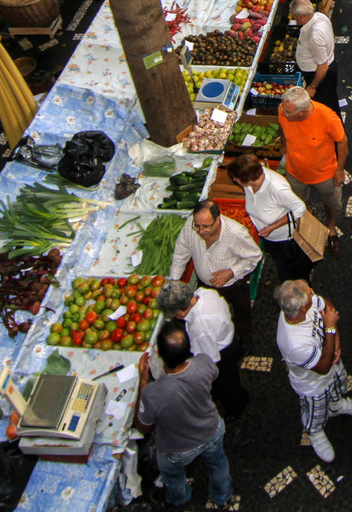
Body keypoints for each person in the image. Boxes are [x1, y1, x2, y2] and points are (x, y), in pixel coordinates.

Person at [134, 323, 234, 508]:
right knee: (218, 464)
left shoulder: (153, 393)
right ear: (189, 348)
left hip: (176, 449)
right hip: (211, 431)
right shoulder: (203, 364)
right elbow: (214, 374)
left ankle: (178, 499)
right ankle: (223, 497)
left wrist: (143, 382)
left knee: (172, 476)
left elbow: (143, 427)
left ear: (161, 357)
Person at [274, 281, 352, 463]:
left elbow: (327, 306)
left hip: (330, 360)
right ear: (301, 308)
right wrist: (330, 327)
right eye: (310, 294)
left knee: (340, 384)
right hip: (313, 383)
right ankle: (315, 431)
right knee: (316, 410)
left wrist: (335, 337)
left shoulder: (304, 302)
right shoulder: (294, 343)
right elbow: (322, 367)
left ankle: (336, 406)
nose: (313, 294)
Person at [169, 199, 262, 348]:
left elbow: (255, 256)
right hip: (205, 284)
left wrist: (231, 272)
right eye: (197, 226)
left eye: (206, 226)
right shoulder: (190, 226)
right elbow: (182, 251)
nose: (201, 231)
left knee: (241, 312)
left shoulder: (236, 233)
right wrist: (174, 281)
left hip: (232, 285)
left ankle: (245, 339)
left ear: (218, 220)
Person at [156, 280, 248, 420]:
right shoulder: (205, 293)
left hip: (223, 352)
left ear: (180, 312)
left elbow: (210, 361)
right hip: (229, 336)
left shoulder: (200, 327)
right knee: (230, 380)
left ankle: (235, 408)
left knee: (227, 385)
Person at [227, 153, 311, 284]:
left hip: (285, 240)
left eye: (236, 179)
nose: (235, 181)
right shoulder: (250, 185)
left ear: (248, 179)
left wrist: (273, 226)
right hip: (269, 238)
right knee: (280, 262)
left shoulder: (276, 188)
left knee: (291, 269)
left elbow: (300, 209)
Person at [278, 87, 346, 231]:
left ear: (301, 112)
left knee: (331, 203)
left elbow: (342, 141)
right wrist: (283, 143)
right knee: (298, 201)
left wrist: (339, 170)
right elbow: (281, 125)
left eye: (288, 112)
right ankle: (307, 216)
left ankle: (331, 227)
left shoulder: (328, 117)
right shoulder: (283, 109)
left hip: (325, 175)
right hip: (295, 172)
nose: (283, 113)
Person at [289, 0, 338, 113]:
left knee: (326, 109)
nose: (293, 18)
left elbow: (323, 67)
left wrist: (313, 86)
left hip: (320, 76)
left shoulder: (314, 36)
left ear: (300, 16)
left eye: (294, 16)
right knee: (331, 101)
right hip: (327, 67)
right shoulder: (321, 17)